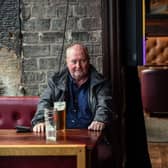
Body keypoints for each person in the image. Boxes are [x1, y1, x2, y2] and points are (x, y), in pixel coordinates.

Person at [31, 43, 114, 167]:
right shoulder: (55, 81)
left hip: (91, 136)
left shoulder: (100, 82)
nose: (78, 66)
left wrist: (99, 119)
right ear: (67, 62)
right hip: (62, 136)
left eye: (82, 61)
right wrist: (40, 121)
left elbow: (105, 104)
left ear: (88, 60)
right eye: (73, 61)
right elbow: (45, 101)